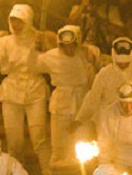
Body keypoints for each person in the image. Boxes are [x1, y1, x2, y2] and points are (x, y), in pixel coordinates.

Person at [0, 4, 52, 175]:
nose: (16, 25)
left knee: (39, 138)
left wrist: (41, 48)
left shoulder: (40, 38)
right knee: (15, 141)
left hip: (35, 90)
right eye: (13, 20)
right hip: (12, 91)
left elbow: (47, 65)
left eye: (20, 21)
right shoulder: (5, 41)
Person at [36, 25, 97, 167]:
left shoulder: (88, 54)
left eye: (72, 46)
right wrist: (37, 45)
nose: (69, 50)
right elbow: (33, 65)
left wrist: (91, 59)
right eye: (65, 46)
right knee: (59, 148)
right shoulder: (50, 57)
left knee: (83, 146)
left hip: (82, 104)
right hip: (60, 106)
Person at [76, 37, 132, 125]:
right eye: (120, 63)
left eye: (126, 63)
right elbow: (92, 99)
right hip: (111, 123)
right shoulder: (104, 74)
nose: (123, 65)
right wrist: (80, 119)